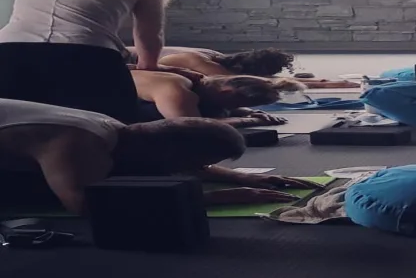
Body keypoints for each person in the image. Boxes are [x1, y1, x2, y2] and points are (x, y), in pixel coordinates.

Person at [0, 98, 313, 215]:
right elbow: (85, 207)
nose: (198, 169)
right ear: (169, 151)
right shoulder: (79, 147)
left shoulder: (116, 130)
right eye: (195, 163)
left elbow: (183, 163)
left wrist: (243, 178)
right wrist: (213, 198)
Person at [0, 0, 169, 122]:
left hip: (7, 54)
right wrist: (149, 68)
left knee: (16, 126)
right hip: (85, 56)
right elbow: (149, 38)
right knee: (118, 125)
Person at [130, 71, 301, 126]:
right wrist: (248, 121)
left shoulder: (204, 85)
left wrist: (249, 112)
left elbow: (228, 108)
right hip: (115, 113)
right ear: (226, 92)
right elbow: (192, 125)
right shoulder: (178, 92)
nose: (233, 108)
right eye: (237, 103)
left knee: (217, 111)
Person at [152, 46, 358, 88]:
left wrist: (322, 82)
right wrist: (324, 84)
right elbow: (242, 81)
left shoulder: (214, 57)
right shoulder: (199, 62)